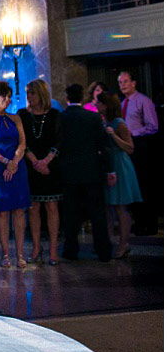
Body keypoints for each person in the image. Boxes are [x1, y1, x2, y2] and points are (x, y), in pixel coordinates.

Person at [58, 84, 116, 262]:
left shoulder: (61, 118)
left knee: (71, 214)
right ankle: (103, 250)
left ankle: (71, 250)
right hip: (92, 171)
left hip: (69, 173)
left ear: (67, 98)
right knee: (97, 213)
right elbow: (103, 145)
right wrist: (109, 170)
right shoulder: (92, 117)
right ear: (82, 98)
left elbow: (58, 144)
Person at [0, 81, 31, 268]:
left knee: (19, 210)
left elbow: (23, 143)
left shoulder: (16, 118)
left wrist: (15, 162)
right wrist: (5, 162)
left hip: (17, 167)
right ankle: (5, 254)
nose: (8, 100)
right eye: (5, 97)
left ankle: (19, 254)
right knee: (2, 212)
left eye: (10, 96)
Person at [18, 79, 62, 265]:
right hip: (31, 165)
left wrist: (46, 161)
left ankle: (53, 249)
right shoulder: (23, 115)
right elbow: (22, 141)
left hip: (51, 166)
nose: (29, 97)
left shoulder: (54, 114)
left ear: (41, 94)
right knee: (33, 207)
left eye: (32, 93)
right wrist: (35, 161)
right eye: (27, 93)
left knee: (51, 206)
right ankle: (36, 247)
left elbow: (59, 140)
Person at [96, 91, 142, 260]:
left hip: (120, 165)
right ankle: (109, 242)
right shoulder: (104, 121)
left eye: (99, 103)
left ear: (106, 105)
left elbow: (130, 147)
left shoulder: (119, 123)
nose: (96, 105)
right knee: (109, 206)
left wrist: (113, 135)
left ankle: (124, 243)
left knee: (121, 206)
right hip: (108, 165)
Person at [117, 70, 160, 236]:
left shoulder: (143, 101)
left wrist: (133, 134)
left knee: (144, 185)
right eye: (120, 82)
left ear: (134, 83)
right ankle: (138, 221)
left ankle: (149, 223)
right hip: (128, 148)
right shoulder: (122, 104)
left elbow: (153, 126)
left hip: (142, 147)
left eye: (126, 81)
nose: (123, 85)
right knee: (133, 185)